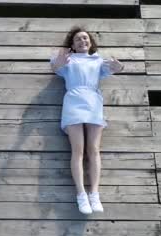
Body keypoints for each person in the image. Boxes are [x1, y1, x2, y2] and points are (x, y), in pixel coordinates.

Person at [49, 26, 124, 215]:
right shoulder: (68, 59)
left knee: (94, 150)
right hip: (74, 101)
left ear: (90, 41)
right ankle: (81, 195)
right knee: (78, 150)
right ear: (73, 45)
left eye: (85, 38)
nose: (83, 41)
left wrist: (119, 66)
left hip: (93, 103)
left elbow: (114, 68)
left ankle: (95, 194)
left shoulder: (98, 60)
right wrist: (57, 63)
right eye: (78, 39)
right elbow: (56, 67)